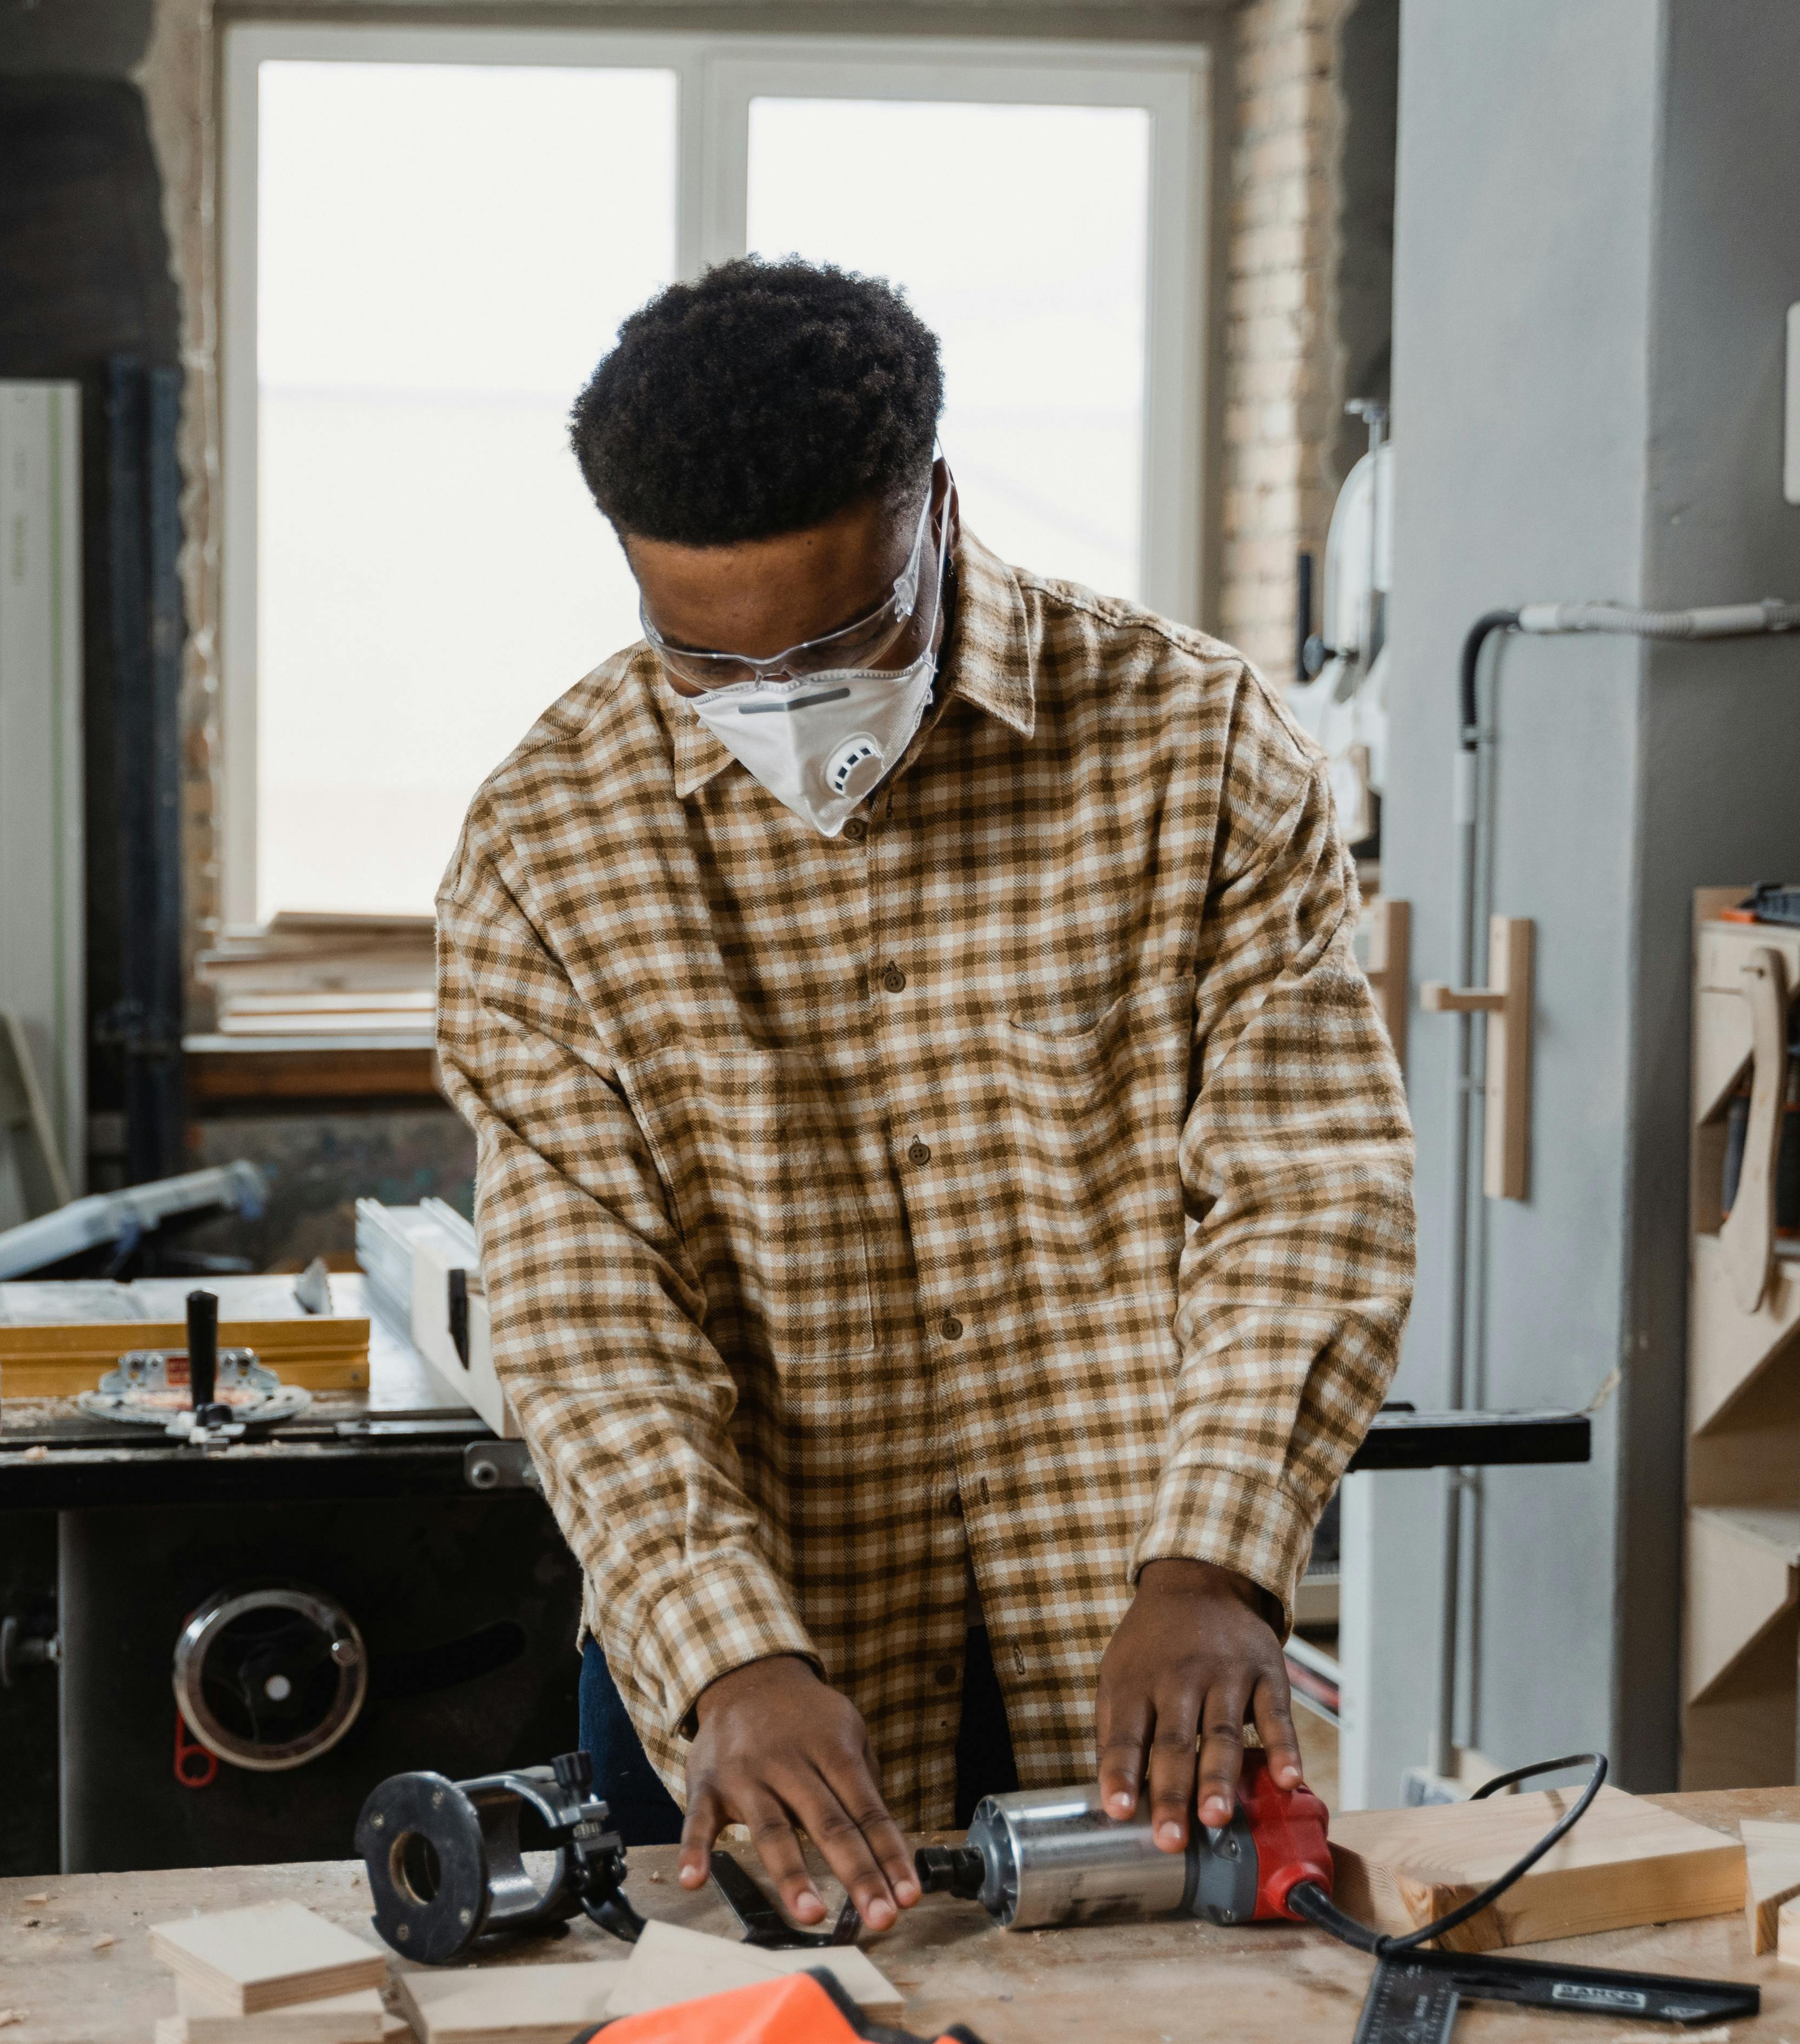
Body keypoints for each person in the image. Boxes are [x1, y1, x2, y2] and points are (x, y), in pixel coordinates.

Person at [434, 261, 1413, 1936]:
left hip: (1135, 1616)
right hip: (756, 1648)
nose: (777, 703)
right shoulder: (546, 838)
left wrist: (1216, 1557)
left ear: (933, 508)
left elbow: (1305, 1183)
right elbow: (584, 1305)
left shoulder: (1196, 744)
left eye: (836, 640)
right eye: (705, 660)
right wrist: (726, 1650)